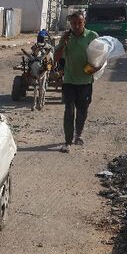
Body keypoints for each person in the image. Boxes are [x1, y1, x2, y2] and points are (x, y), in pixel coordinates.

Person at [54, 11, 99, 153]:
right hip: (69, 81)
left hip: (86, 81)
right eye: (74, 23)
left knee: (82, 111)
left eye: (79, 22)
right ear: (70, 24)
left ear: (84, 22)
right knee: (69, 111)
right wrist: (63, 43)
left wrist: (96, 67)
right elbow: (56, 58)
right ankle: (67, 142)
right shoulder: (66, 37)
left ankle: (78, 134)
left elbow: (101, 56)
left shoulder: (93, 36)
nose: (77, 26)